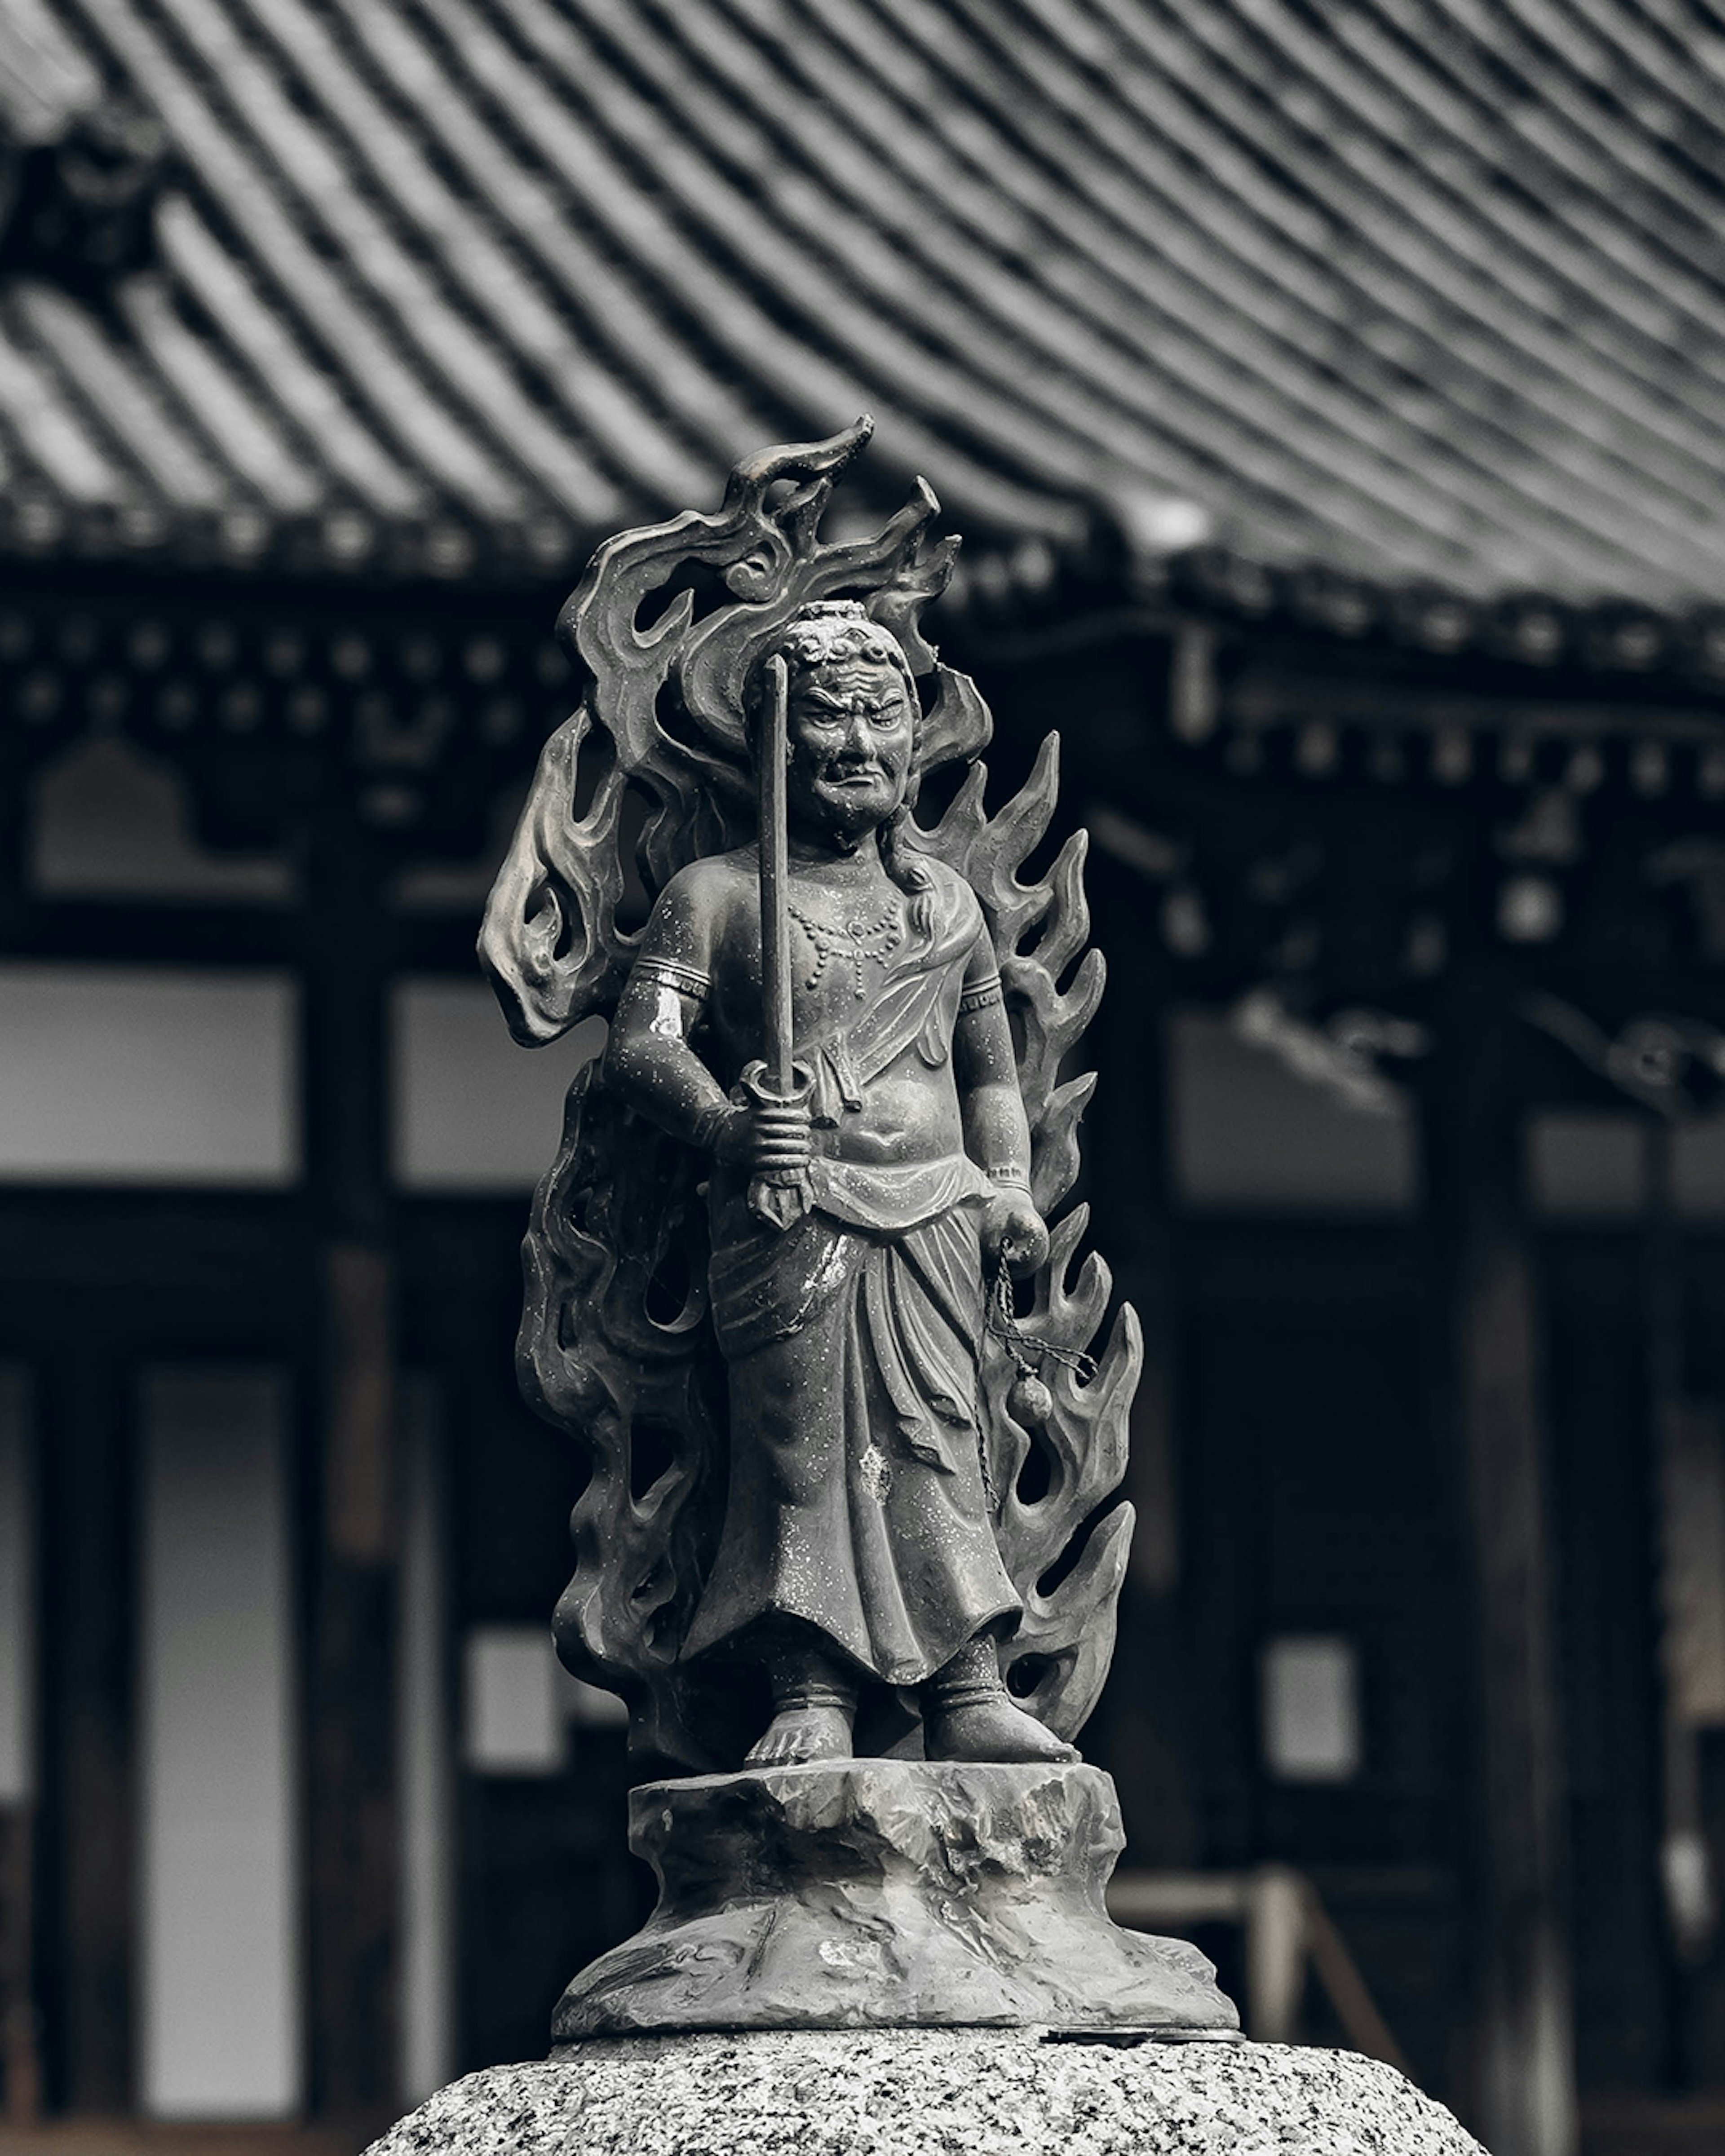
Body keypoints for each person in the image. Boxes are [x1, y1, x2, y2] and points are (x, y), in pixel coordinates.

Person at [603, 601, 1076, 1768]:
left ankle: (967, 1681)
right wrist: (722, 1123)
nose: (860, 743)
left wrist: (1008, 1183)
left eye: (883, 716)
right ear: (774, 738)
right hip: (790, 1202)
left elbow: (991, 1078)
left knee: (941, 1442)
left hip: (934, 1207)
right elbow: (645, 1043)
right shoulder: (717, 896)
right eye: (828, 716)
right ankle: (809, 1682)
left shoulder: (943, 905)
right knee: (797, 1454)